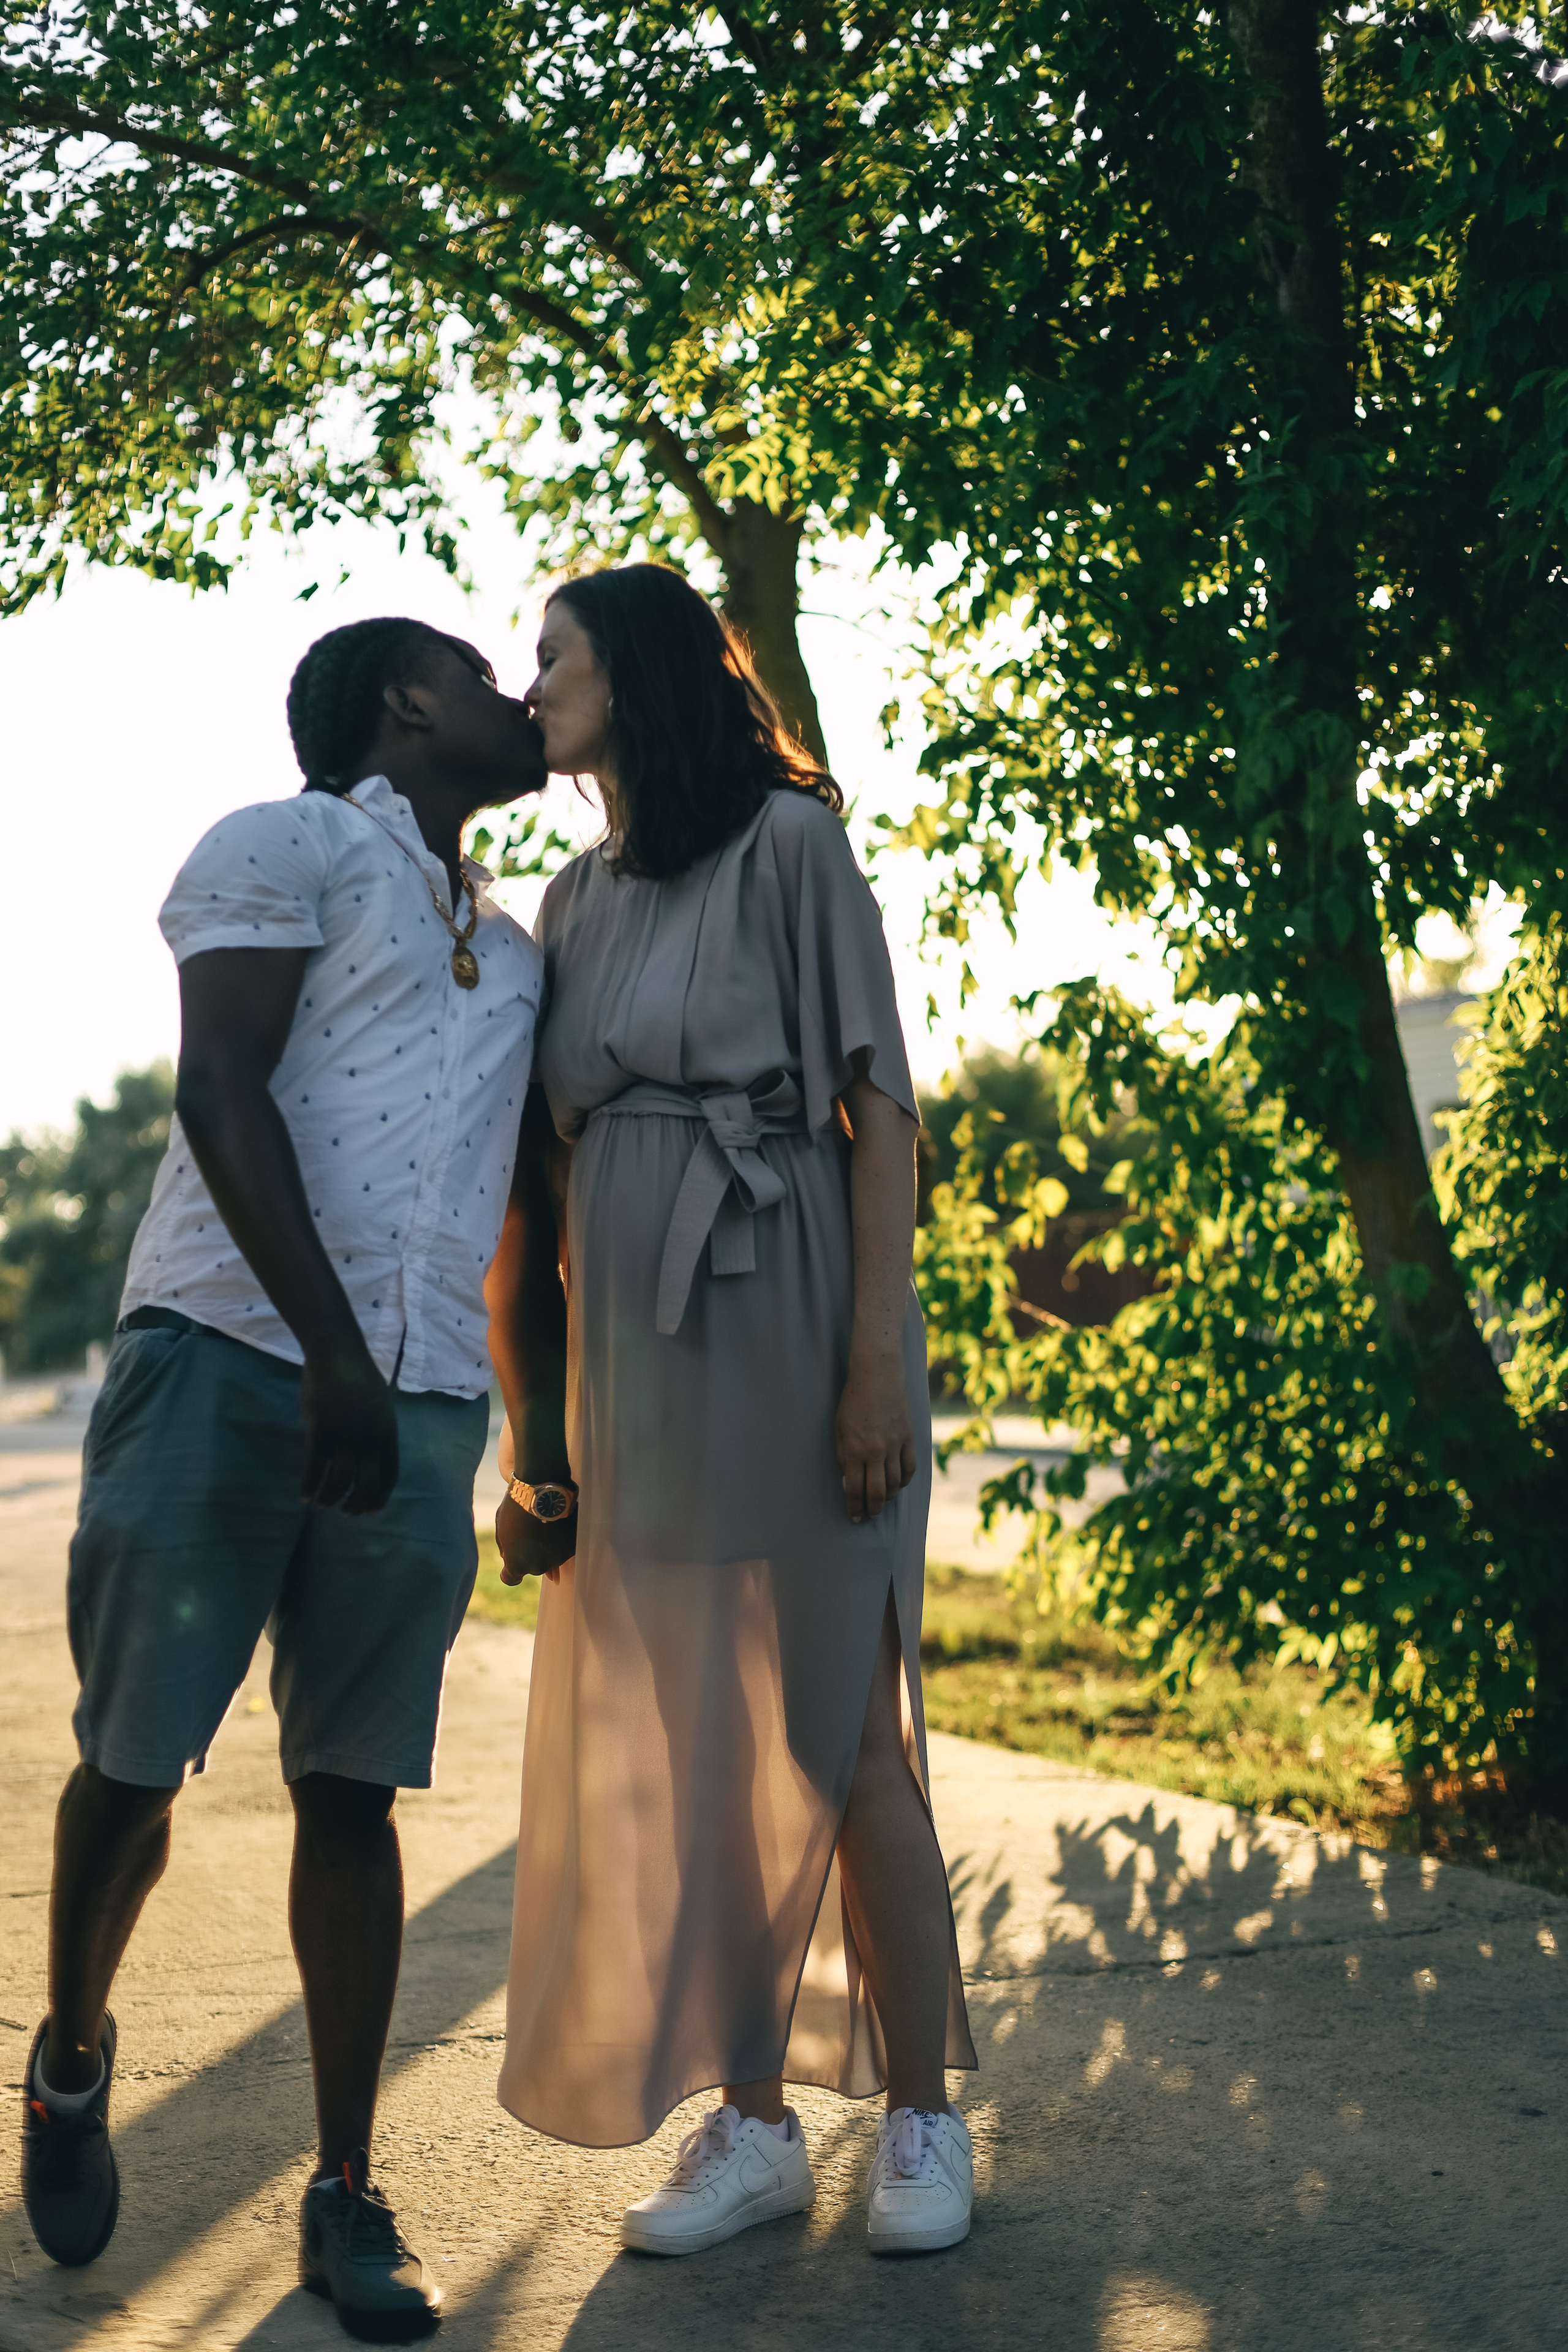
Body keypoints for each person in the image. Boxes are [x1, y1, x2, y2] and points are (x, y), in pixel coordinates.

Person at [21, 619, 546, 2342]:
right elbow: (222, 1085)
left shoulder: (525, 949)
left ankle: (342, 2190)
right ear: (407, 702)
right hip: (228, 1361)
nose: (516, 702)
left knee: (354, 1792)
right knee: (135, 1761)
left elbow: (524, 1220)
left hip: (423, 1409)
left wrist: (529, 1437)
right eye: (484, 674)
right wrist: (327, 1350)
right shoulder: (287, 842)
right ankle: (76, 2044)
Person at [492, 564, 978, 2259]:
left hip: (790, 1327)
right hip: (637, 1367)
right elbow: (540, 1187)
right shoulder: (574, 896)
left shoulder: (793, 847)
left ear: (630, 670)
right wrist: (535, 1439)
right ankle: (755, 2123)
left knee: (842, 1734)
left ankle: (921, 2114)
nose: (529, 681)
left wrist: (873, 1363)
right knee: (694, 1746)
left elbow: (883, 1116)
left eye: (549, 655)